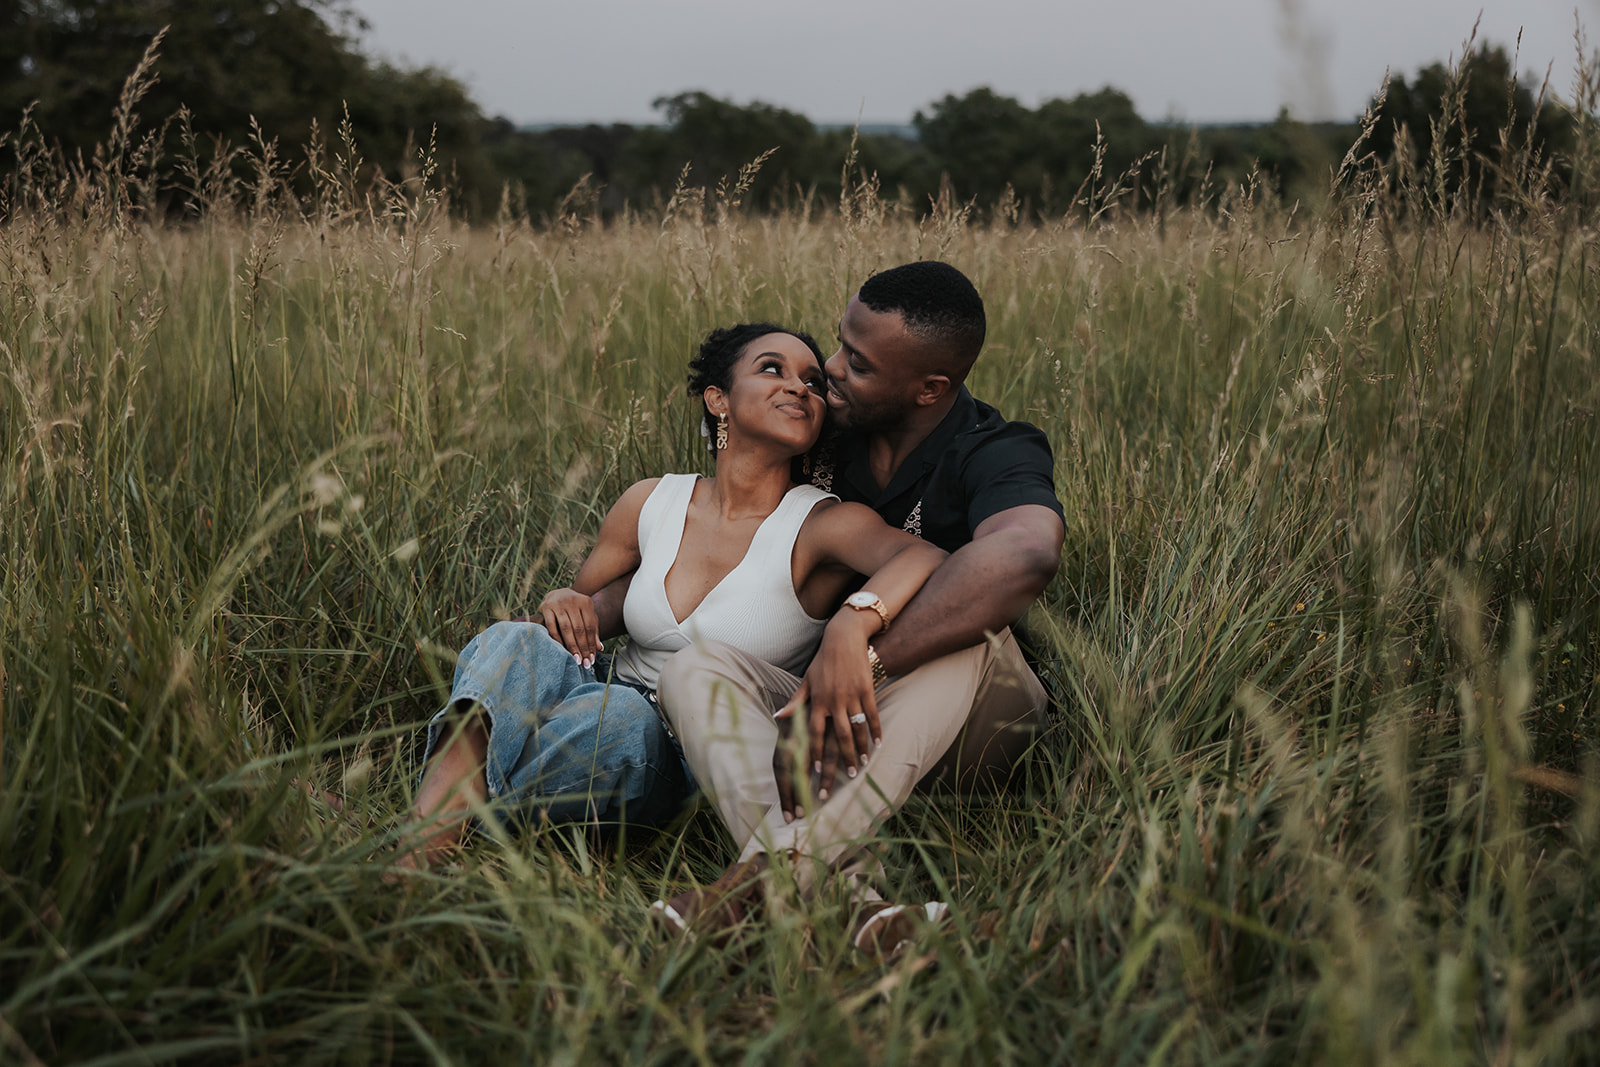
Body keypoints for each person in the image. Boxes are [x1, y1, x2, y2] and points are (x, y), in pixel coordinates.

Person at [396, 323, 946, 870]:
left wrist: (855, 622)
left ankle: (418, 829)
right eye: (771, 369)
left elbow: (923, 557)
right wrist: (565, 599)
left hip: (678, 747)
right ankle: (427, 841)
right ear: (718, 399)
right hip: (604, 679)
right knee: (515, 639)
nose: (800, 387)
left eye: (811, 381)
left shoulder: (821, 523)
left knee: (617, 722)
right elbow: (585, 619)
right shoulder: (651, 500)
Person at [653, 261, 1065, 954]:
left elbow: (1025, 553)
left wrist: (862, 639)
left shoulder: (991, 448)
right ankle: (853, 911)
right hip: (845, 723)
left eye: (860, 364)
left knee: (964, 631)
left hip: (976, 722)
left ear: (929, 388)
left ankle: (756, 884)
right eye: (841, 344)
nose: (832, 369)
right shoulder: (824, 436)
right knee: (695, 670)